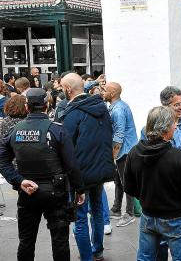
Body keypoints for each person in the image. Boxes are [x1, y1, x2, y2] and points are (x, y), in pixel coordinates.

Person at [0, 88, 85, 261]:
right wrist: (79, 189)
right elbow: (72, 165)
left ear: (26, 107)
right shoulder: (57, 130)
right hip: (56, 192)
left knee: (26, 240)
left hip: (28, 191)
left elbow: (2, 160)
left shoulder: (15, 130)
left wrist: (19, 180)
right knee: (60, 241)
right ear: (47, 105)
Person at [124, 106, 181, 261]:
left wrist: (146, 196)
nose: (176, 126)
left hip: (148, 215)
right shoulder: (177, 156)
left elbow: (129, 187)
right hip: (175, 217)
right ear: (165, 128)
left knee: (145, 257)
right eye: (173, 123)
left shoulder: (134, 152)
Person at [141, 86, 181, 260]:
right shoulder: (148, 130)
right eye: (176, 104)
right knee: (161, 234)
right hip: (165, 191)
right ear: (164, 105)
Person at [59, 73, 115, 261]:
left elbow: (66, 148)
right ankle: (96, 251)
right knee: (97, 210)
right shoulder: (101, 107)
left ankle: (87, 257)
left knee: (81, 217)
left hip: (81, 173)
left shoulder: (73, 113)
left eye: (61, 87)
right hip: (99, 169)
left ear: (68, 89)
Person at [102, 82, 139, 227]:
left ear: (112, 93)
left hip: (125, 152)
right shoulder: (117, 106)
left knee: (126, 182)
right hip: (123, 151)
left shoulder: (118, 110)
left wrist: (113, 156)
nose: (102, 93)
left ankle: (129, 213)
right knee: (119, 181)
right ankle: (116, 209)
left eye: (105, 90)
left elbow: (119, 135)